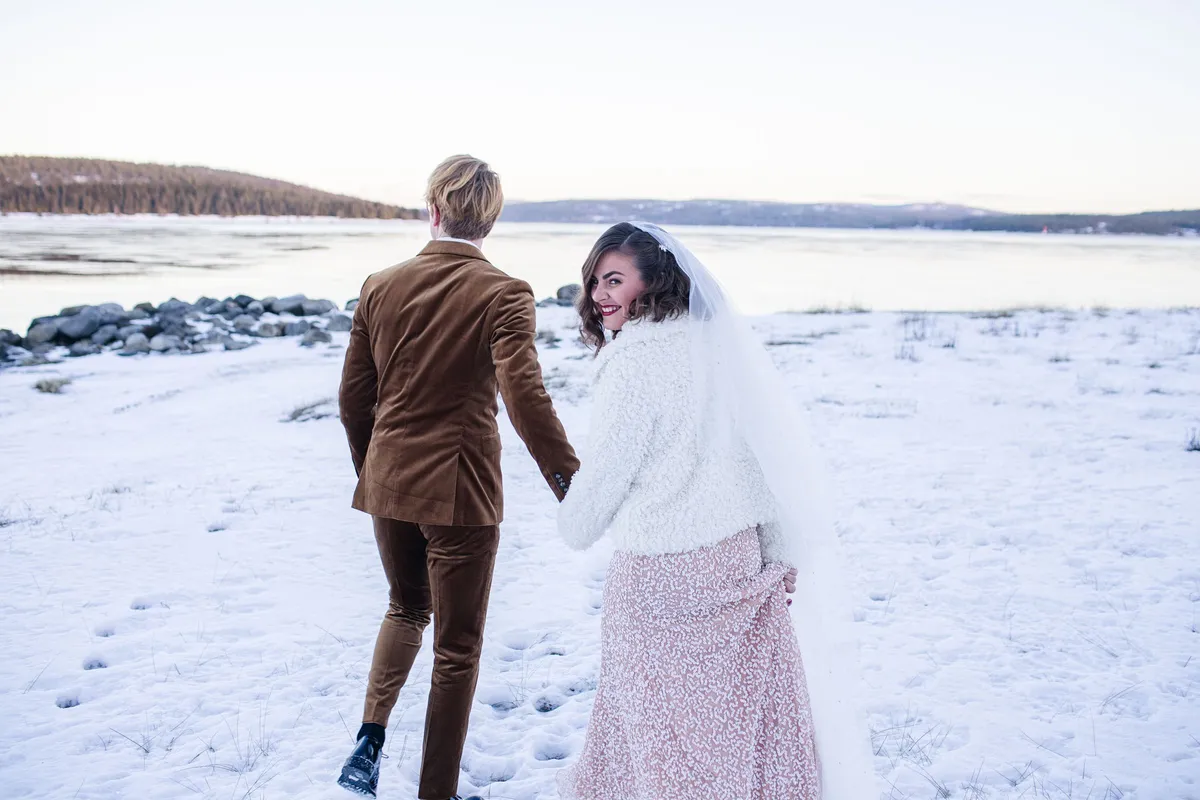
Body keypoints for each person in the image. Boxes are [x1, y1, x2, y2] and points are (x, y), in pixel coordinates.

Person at [556, 222, 876, 799]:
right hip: (736, 558)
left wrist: (573, 519)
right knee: (738, 721)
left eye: (613, 280)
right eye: (594, 282)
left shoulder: (632, 363)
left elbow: (604, 478)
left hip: (660, 576)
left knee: (659, 727)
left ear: (654, 284)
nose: (599, 295)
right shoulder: (718, 352)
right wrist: (778, 551)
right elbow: (764, 458)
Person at [337, 155, 579, 799]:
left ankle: (370, 735)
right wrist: (569, 481)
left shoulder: (379, 284)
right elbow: (525, 396)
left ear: (433, 210)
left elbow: (353, 399)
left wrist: (376, 469)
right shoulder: (504, 292)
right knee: (457, 649)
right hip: (461, 492)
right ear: (490, 222)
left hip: (389, 480)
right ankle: (435, 794)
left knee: (405, 606)